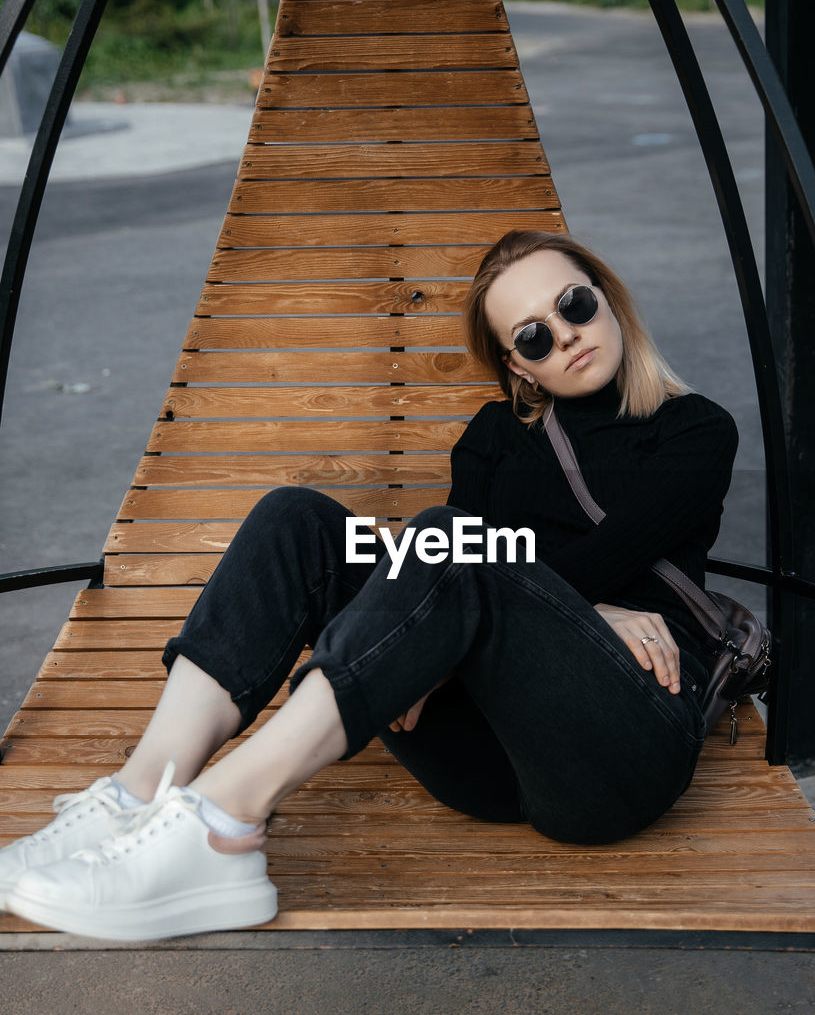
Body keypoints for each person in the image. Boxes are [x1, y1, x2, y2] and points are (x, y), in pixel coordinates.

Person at [1, 229, 738, 942]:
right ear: (518, 366)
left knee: (450, 539)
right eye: (534, 335)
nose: (566, 335)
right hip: (482, 759)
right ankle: (139, 794)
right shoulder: (491, 438)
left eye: (573, 305)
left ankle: (221, 827)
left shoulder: (695, 430)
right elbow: (476, 573)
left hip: (623, 743)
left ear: (606, 299)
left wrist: (545, 606)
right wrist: (485, 613)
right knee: (302, 522)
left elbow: (597, 556)